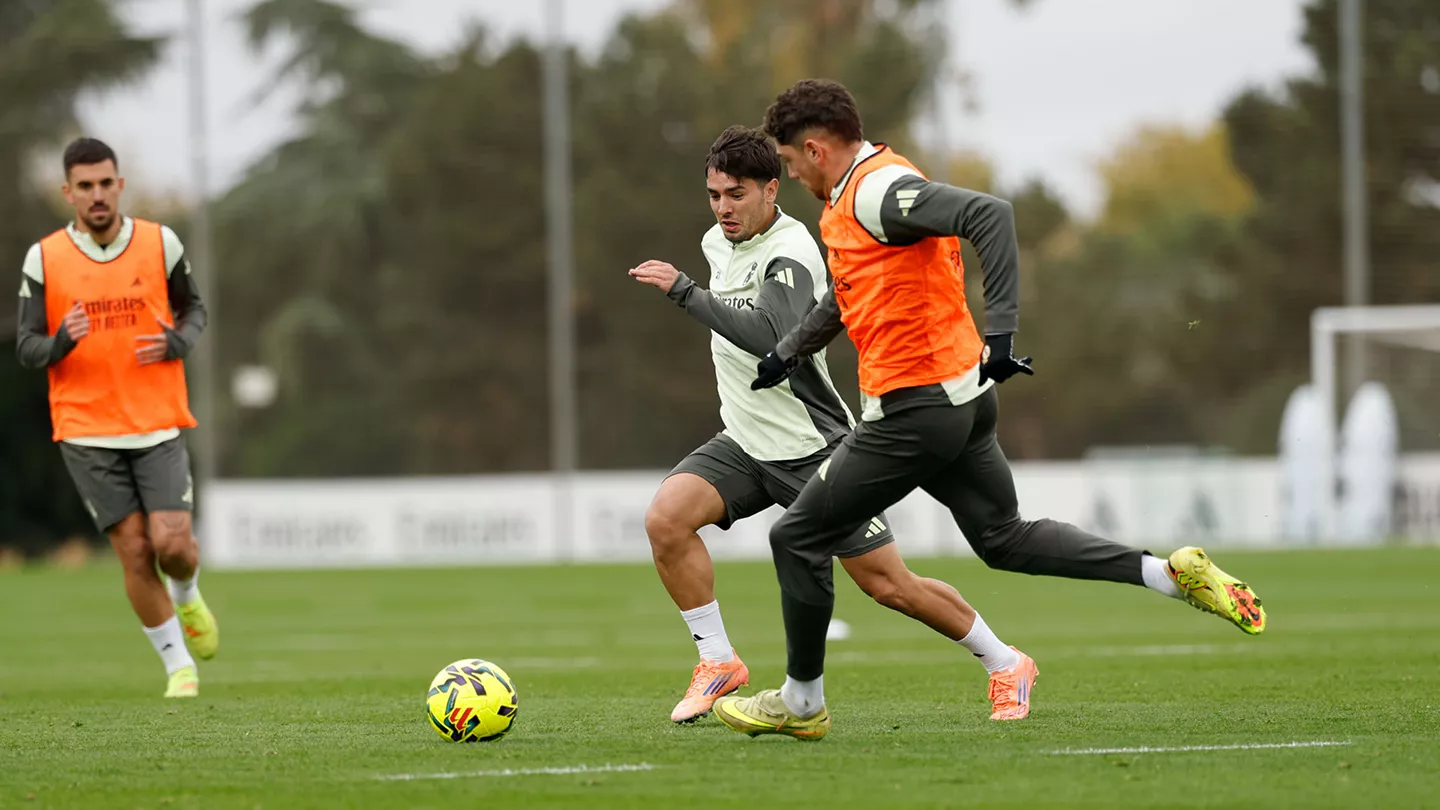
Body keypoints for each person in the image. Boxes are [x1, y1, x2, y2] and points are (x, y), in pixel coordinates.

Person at [712, 80, 1266, 741]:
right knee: (1004, 538)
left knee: (796, 538)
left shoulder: (876, 190)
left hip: (916, 408)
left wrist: (1002, 330)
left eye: (790, 161)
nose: (792, 175)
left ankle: (802, 703)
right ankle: (1169, 574)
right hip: (962, 398)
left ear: (814, 149)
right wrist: (790, 351)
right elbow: (850, 289)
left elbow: (990, 215)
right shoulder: (858, 191)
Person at [629, 125, 1032, 728]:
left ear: (771, 189)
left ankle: (1006, 662)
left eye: (736, 194)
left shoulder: (791, 249)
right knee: (666, 519)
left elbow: (771, 336)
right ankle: (717, 661)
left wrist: (686, 293)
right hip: (745, 442)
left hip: (809, 445)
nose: (723, 208)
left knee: (888, 585)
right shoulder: (717, 243)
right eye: (714, 195)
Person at [15, 138, 219, 698]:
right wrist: (61, 341)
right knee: (134, 549)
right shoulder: (44, 258)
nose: (97, 194)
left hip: (156, 419)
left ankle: (187, 595)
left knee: (172, 545)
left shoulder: (160, 242)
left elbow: (194, 310)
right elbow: (27, 346)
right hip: (86, 428)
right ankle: (179, 668)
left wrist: (178, 342)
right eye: (85, 186)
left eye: (106, 183)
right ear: (69, 192)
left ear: (119, 184)